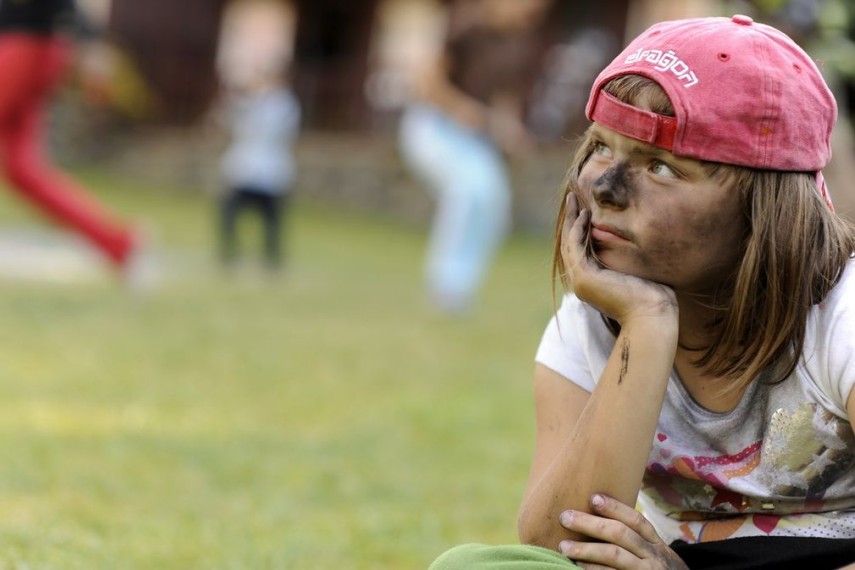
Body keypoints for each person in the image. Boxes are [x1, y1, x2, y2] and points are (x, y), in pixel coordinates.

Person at [429, 14, 855, 570]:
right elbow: (560, 542)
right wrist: (647, 324)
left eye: (661, 166)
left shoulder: (843, 317)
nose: (604, 189)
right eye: (602, 148)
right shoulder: (594, 317)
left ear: (766, 204)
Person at [399, 0, 553, 314]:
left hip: (474, 134)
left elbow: (503, 97)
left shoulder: (519, 41)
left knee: (493, 200)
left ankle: (459, 290)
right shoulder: (466, 25)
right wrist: (460, 108)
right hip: (434, 124)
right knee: (469, 193)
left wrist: (511, 131)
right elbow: (426, 79)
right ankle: (443, 287)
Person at [0, 0, 146, 285]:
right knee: (23, 170)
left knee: (24, 169)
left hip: (24, 46)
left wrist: (92, 41)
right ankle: (118, 243)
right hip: (33, 48)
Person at [216, 63, 300, 272]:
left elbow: (268, 128)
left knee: (272, 218)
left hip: (270, 170)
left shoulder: (284, 104)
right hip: (246, 168)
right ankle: (230, 252)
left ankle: (271, 258)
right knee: (229, 211)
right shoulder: (252, 101)